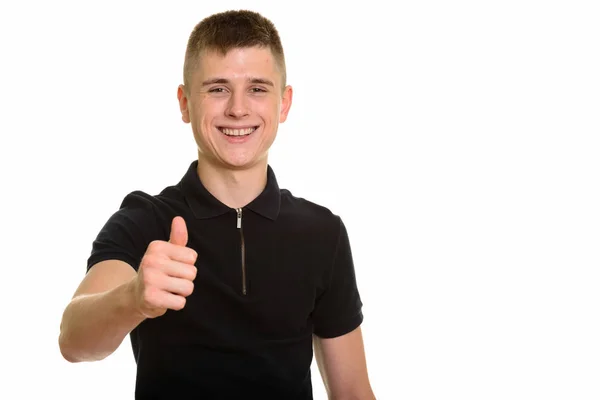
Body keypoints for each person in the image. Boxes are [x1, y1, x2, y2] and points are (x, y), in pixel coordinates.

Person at [58, 9, 375, 399]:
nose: (238, 109)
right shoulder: (143, 221)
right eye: (218, 88)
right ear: (185, 102)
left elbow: (353, 391)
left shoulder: (322, 232)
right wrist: (134, 298)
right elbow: (73, 340)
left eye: (258, 88)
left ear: (284, 103)